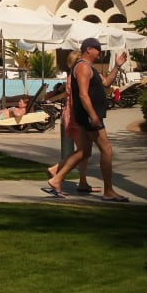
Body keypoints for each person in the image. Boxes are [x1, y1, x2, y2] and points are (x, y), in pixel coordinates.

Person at [44, 38, 128, 201]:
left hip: (87, 116)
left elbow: (106, 83)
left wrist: (117, 66)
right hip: (89, 117)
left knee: (84, 151)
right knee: (106, 149)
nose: (100, 53)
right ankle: (108, 191)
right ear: (89, 49)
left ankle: (56, 179)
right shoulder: (82, 67)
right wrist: (93, 115)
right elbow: (83, 94)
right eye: (98, 49)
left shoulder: (89, 67)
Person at [46, 50, 94, 193]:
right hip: (75, 115)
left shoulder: (71, 76)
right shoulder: (76, 77)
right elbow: (79, 97)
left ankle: (83, 181)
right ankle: (56, 170)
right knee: (83, 150)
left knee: (83, 150)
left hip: (70, 114)